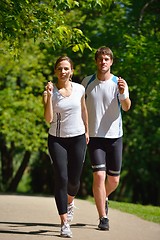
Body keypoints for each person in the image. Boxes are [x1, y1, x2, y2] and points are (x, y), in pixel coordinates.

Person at [82, 46, 131, 231]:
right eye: (100, 59)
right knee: (99, 177)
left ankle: (102, 197)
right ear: (96, 61)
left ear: (111, 62)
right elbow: (81, 108)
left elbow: (126, 107)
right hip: (94, 138)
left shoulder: (119, 82)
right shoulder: (87, 82)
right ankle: (103, 217)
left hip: (114, 137)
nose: (103, 62)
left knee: (113, 181)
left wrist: (123, 93)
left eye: (106, 59)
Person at [43, 56, 89, 238]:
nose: (63, 72)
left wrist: (87, 130)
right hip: (57, 139)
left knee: (74, 181)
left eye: (66, 69)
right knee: (61, 178)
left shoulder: (80, 89)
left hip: (78, 137)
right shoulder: (50, 92)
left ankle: (70, 203)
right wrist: (48, 97)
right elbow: (48, 119)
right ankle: (64, 223)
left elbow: (84, 110)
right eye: (59, 69)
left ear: (72, 71)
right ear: (55, 71)